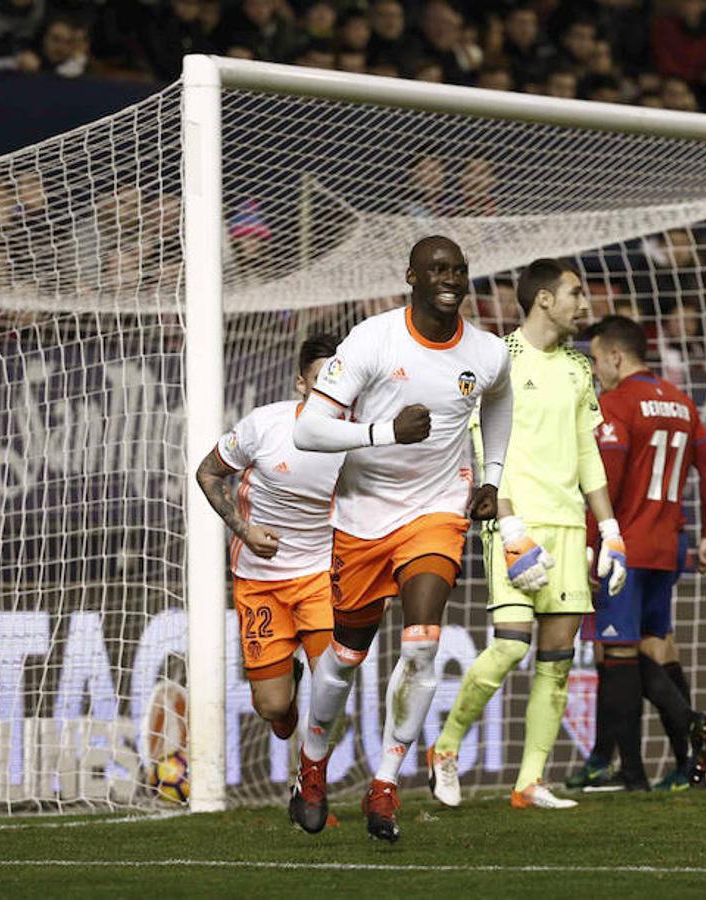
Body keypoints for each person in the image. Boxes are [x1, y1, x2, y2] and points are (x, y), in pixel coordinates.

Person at [288, 235, 512, 843]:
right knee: (345, 659)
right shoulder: (372, 339)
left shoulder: (488, 352)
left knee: (421, 646)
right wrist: (385, 432)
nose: (450, 278)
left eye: (459, 269)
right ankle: (313, 765)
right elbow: (309, 431)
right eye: (437, 268)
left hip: (436, 512)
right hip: (362, 516)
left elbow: (499, 402)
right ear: (411, 275)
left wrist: (490, 477)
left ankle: (385, 782)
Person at [426, 258, 630, 811]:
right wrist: (509, 523)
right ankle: (443, 750)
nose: (583, 305)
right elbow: (483, 443)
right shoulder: (500, 360)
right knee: (509, 647)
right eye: (575, 294)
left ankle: (530, 782)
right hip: (516, 522)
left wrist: (609, 528)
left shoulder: (578, 369)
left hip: (568, 526)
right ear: (544, 299)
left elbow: (588, 452)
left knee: (558, 659)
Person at [565, 314, 706, 792]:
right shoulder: (680, 402)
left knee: (618, 655)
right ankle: (685, 763)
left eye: (595, 360)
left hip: (626, 547)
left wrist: (594, 545)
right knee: (654, 648)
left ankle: (637, 767)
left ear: (615, 355)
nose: (594, 370)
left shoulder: (615, 404)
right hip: (669, 546)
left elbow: (602, 483)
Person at [194, 334, 344, 740]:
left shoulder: (359, 439)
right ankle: (286, 685)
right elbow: (207, 472)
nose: (331, 395)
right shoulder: (264, 425)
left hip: (320, 577)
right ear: (301, 384)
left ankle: (310, 795)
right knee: (275, 709)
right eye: (320, 383)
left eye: (339, 382)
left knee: (332, 696)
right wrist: (244, 530)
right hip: (261, 580)